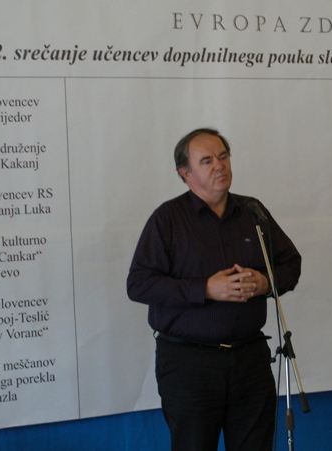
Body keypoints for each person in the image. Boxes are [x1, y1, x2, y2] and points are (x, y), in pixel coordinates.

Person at [127, 128, 302, 451]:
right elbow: (139, 284)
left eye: (223, 157)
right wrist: (205, 289)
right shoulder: (167, 219)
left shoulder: (253, 212)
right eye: (207, 161)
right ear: (186, 173)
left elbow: (291, 264)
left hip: (250, 360)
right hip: (189, 365)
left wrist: (265, 282)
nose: (219, 165)